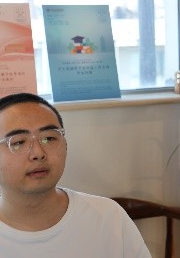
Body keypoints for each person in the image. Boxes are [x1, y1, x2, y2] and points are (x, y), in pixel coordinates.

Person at [0, 92, 151, 257]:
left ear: (66, 145)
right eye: (18, 142)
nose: (38, 153)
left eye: (49, 138)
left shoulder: (109, 216)